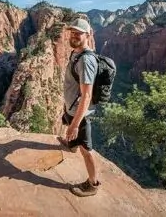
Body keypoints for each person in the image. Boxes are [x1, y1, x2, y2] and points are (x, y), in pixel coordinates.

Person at [62, 17, 100, 197]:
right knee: (71, 133)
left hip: (80, 113)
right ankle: (71, 145)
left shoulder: (86, 60)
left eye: (79, 33)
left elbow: (87, 95)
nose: (75, 35)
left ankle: (93, 184)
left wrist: (75, 124)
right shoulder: (75, 52)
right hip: (71, 106)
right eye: (73, 32)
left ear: (88, 35)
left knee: (87, 149)